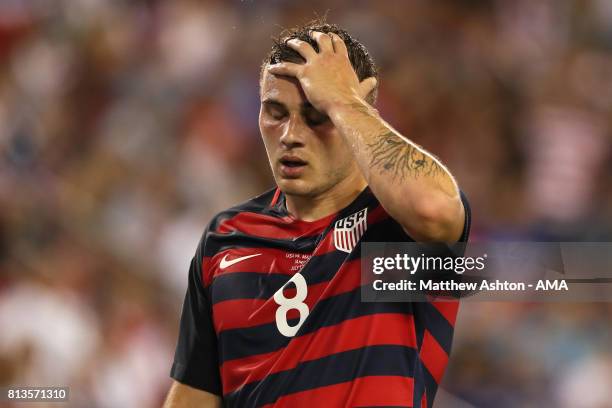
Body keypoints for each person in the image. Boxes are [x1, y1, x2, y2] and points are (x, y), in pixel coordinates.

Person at [164, 20, 470, 408]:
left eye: (316, 115)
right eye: (275, 113)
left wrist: (342, 101)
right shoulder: (226, 238)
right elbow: (194, 396)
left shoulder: (396, 227)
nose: (290, 134)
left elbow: (436, 210)